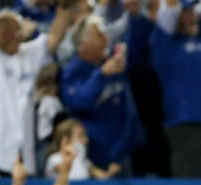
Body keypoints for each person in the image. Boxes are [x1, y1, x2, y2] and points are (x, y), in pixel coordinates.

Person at [0, 0, 71, 176]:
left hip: (22, 160)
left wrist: (66, 7)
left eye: (19, 30)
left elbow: (54, 38)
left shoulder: (27, 54)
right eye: (14, 29)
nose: (20, 34)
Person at [151, 0, 201, 178]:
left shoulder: (195, 39)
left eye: (194, 12)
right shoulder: (164, 42)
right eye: (188, 12)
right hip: (188, 127)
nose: (194, 17)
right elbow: (169, 9)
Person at [61, 15, 143, 175]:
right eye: (100, 35)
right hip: (95, 155)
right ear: (83, 44)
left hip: (124, 151)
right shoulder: (74, 71)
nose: (106, 39)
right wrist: (101, 75)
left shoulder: (113, 62)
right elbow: (78, 102)